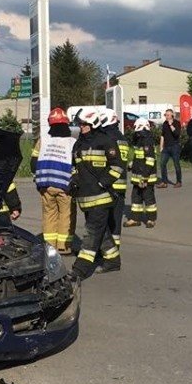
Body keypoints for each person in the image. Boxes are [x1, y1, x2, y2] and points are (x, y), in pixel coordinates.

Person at [70, 106, 124, 279]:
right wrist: (74, 182)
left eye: (84, 124)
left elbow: (117, 166)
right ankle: (113, 261)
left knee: (92, 233)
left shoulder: (105, 140)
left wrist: (103, 182)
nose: (81, 127)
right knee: (102, 232)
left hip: (100, 197)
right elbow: (75, 167)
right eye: (80, 124)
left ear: (93, 123)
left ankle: (80, 269)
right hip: (85, 198)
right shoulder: (79, 143)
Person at [33, 107, 76, 253]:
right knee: (66, 214)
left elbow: (33, 162)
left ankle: (49, 245)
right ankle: (63, 246)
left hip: (45, 184)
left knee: (49, 214)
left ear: (50, 124)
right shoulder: (72, 142)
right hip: (65, 185)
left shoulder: (43, 140)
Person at [100, 107, 129, 250]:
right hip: (121, 184)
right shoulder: (122, 137)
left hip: (109, 183)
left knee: (104, 219)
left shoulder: (106, 137)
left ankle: (106, 249)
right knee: (116, 219)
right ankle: (115, 247)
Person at [124, 117, 158, 228]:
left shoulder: (147, 140)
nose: (135, 132)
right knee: (136, 198)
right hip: (137, 177)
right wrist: (131, 165)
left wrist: (144, 177)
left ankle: (151, 219)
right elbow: (139, 158)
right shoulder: (140, 141)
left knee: (148, 199)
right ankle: (135, 219)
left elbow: (150, 160)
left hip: (146, 178)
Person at [157, 108, 182, 188]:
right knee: (162, 163)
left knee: (176, 164)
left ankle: (178, 181)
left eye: (168, 115)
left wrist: (171, 125)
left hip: (174, 146)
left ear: (172, 115)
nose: (166, 117)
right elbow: (162, 136)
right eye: (165, 115)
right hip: (166, 148)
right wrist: (161, 146)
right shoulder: (164, 123)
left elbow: (177, 134)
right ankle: (164, 182)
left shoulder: (176, 123)